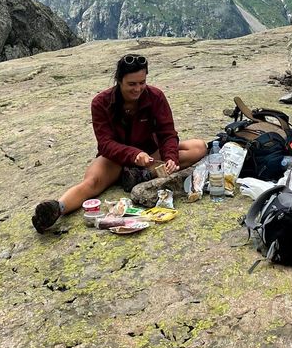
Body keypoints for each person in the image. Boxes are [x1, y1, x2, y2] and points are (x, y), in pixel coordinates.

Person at [32, 53, 207, 232]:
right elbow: (105, 144)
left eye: (142, 82)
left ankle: (139, 175)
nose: (138, 89)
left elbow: (167, 133)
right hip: (115, 159)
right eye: (132, 84)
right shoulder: (101, 103)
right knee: (91, 183)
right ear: (119, 80)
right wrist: (134, 155)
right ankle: (57, 208)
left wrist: (170, 158)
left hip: (151, 155)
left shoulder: (155, 97)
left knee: (199, 147)